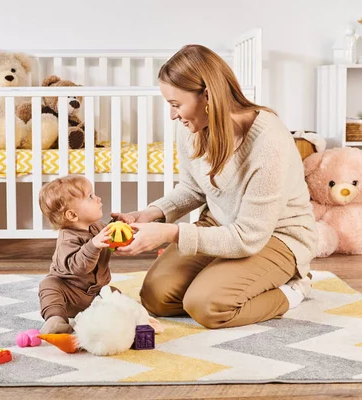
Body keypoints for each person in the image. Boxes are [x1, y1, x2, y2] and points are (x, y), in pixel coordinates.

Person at [111, 44, 318, 329]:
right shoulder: (192, 128)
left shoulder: (269, 143)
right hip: (220, 225)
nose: (172, 115)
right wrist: (150, 214)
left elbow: (248, 237)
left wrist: (169, 233)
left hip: (274, 236)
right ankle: (222, 275)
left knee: (208, 306)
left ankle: (292, 290)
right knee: (156, 297)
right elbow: (193, 188)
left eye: (175, 104)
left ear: (207, 96)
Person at [38, 175, 113, 334]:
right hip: (69, 294)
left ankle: (123, 318)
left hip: (96, 293)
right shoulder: (67, 239)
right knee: (49, 285)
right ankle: (56, 319)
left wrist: (122, 227)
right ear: (72, 215)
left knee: (114, 294)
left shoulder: (97, 227)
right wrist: (93, 245)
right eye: (91, 196)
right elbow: (78, 267)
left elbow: (113, 241)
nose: (98, 198)